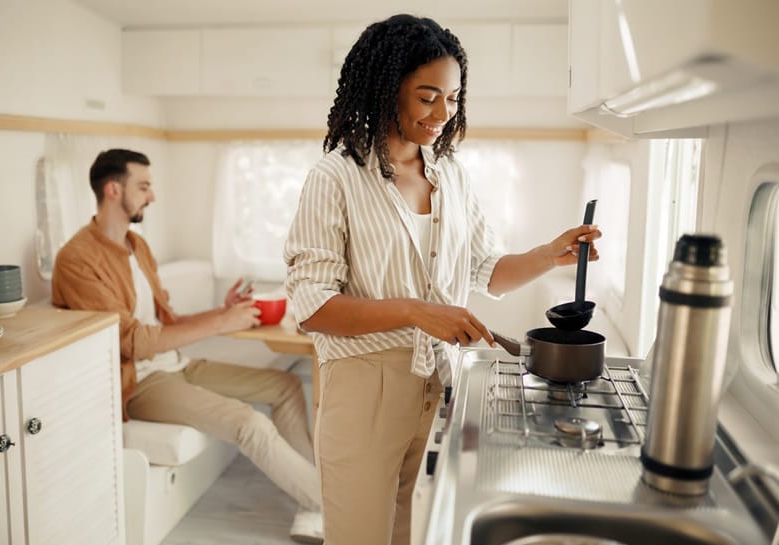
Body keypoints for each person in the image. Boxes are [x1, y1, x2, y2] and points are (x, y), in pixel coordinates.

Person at [284, 14, 602, 545]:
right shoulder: (335, 177)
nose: (442, 113)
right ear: (388, 90)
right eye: (427, 96)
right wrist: (415, 310)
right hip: (364, 386)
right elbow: (314, 306)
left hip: (433, 382)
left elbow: (486, 271)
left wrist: (549, 254)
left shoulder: (451, 173)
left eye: (452, 99)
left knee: (408, 532)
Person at [52, 149, 323, 544]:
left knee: (285, 386)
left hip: (174, 364)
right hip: (137, 384)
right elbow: (131, 343)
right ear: (113, 189)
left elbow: (167, 323)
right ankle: (333, 507)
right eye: (143, 186)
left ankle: (312, 497)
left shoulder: (136, 246)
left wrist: (222, 311)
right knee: (250, 423)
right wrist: (220, 323)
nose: (152, 196)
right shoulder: (77, 260)